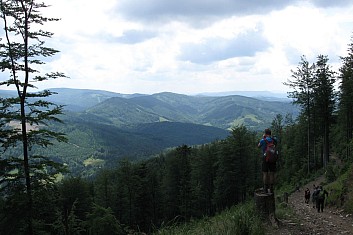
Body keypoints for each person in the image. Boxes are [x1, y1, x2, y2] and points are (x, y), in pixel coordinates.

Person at [258, 128, 277, 194]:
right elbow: (276, 143)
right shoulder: (274, 140)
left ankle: (265, 188)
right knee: (272, 173)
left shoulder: (263, 140)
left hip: (265, 158)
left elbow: (258, 146)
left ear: (265, 134)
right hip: (273, 158)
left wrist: (263, 138)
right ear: (270, 133)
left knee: (265, 173)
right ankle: (271, 188)